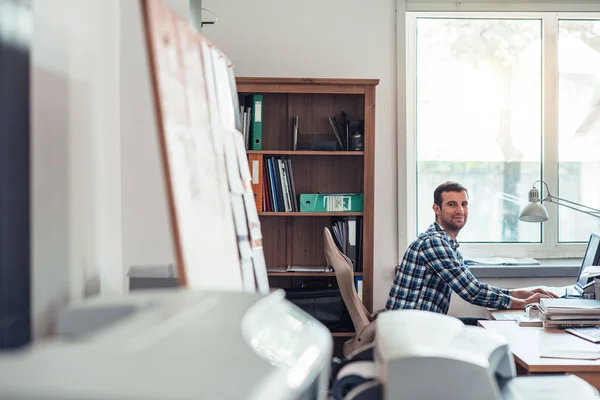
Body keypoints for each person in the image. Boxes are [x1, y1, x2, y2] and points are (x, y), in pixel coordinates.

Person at [386, 181, 556, 321]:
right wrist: (524, 303)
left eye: (464, 204)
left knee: (489, 327)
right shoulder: (434, 243)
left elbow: (474, 285)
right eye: (452, 204)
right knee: (492, 331)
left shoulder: (448, 244)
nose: (460, 210)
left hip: (420, 326)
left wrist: (520, 293)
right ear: (437, 209)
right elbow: (472, 292)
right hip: (411, 332)